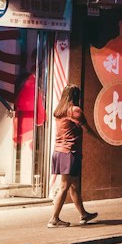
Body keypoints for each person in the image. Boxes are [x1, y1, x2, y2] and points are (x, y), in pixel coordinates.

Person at [48, 83, 96, 227]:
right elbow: (87, 129)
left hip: (59, 151)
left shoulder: (60, 110)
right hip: (69, 152)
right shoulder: (75, 111)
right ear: (76, 96)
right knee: (64, 186)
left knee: (74, 185)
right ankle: (54, 219)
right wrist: (101, 140)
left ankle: (83, 214)